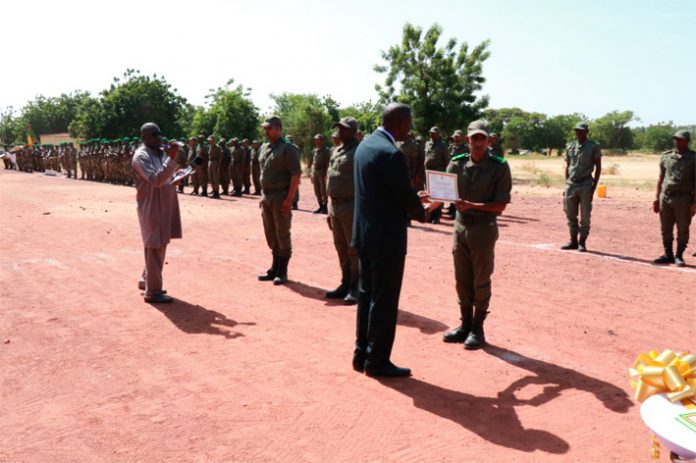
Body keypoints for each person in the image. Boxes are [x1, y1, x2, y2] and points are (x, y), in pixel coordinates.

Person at [352, 103, 439, 377]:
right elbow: (404, 199)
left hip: (364, 235)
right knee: (385, 300)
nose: (410, 128)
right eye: (408, 123)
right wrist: (424, 210)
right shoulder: (392, 154)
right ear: (400, 123)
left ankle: (361, 353)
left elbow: (387, 191)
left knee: (366, 295)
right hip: (386, 239)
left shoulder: (365, 146)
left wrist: (414, 199)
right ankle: (377, 361)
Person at [433, 120, 512, 350]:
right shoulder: (457, 163)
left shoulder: (499, 166)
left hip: (483, 229)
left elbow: (500, 205)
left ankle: (478, 328)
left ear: (489, 141)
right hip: (460, 227)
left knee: (481, 279)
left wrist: (472, 205)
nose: (478, 143)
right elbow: (442, 193)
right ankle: (465, 324)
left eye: (482, 138)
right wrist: (428, 200)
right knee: (462, 278)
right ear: (467, 140)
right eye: (474, 138)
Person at [132, 123, 199, 303]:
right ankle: (153, 292)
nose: (158, 138)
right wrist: (170, 159)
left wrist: (181, 175)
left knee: (160, 242)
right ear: (144, 137)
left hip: (165, 203)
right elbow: (155, 179)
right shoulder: (141, 156)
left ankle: (147, 279)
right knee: (154, 244)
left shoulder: (158, 153)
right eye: (154, 135)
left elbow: (166, 177)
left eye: (159, 134)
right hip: (152, 206)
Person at [257, 116, 301, 285]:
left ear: (278, 129)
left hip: (280, 195)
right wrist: (262, 195)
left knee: (282, 232)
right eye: (265, 129)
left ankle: (282, 271)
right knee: (270, 233)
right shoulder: (264, 147)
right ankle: (274, 267)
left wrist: (289, 199)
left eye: (268, 128)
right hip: (267, 196)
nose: (265, 131)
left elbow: (295, 175)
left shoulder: (287, 148)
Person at [325, 117, 360, 305]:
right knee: (341, 247)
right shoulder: (337, 150)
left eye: (344, 129)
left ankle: (356, 287)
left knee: (353, 248)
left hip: (351, 205)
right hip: (335, 206)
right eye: (338, 128)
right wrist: (328, 210)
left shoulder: (359, 152)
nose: (339, 131)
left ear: (353, 131)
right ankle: (345, 283)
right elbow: (330, 178)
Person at [652, 130, 696, 267]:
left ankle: (679, 255)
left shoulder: (693, 158)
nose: (677, 141)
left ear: (687, 141)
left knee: (683, 229)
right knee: (666, 228)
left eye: (681, 139)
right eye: (675, 139)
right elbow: (660, 178)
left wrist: (694, 203)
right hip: (665, 197)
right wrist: (656, 198)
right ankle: (668, 254)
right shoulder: (666, 157)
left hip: (684, 199)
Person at [561, 122, 602, 252]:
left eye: (581, 131)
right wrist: (566, 182)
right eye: (577, 131)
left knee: (585, 215)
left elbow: (598, 167)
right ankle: (573, 240)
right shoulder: (570, 146)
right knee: (570, 213)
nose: (578, 133)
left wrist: (593, 188)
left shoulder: (593, 146)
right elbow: (567, 165)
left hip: (585, 184)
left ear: (586, 132)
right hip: (571, 184)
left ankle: (582, 242)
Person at [424, 126, 449, 223]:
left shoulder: (442, 145)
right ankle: (430, 214)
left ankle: (437, 216)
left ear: (438, 134)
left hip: (438, 173)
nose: (432, 134)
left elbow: (446, 160)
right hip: (427, 173)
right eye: (431, 132)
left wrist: (445, 174)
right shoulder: (427, 143)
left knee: (438, 195)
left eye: (434, 133)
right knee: (429, 195)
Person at [310, 134, 330, 214]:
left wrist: (326, 174)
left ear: (322, 140)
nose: (316, 141)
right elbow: (313, 163)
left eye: (318, 139)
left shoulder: (326, 150)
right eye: (315, 139)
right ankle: (320, 206)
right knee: (316, 190)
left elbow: (328, 163)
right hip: (315, 172)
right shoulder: (315, 150)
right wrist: (311, 173)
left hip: (322, 172)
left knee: (323, 190)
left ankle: (325, 207)